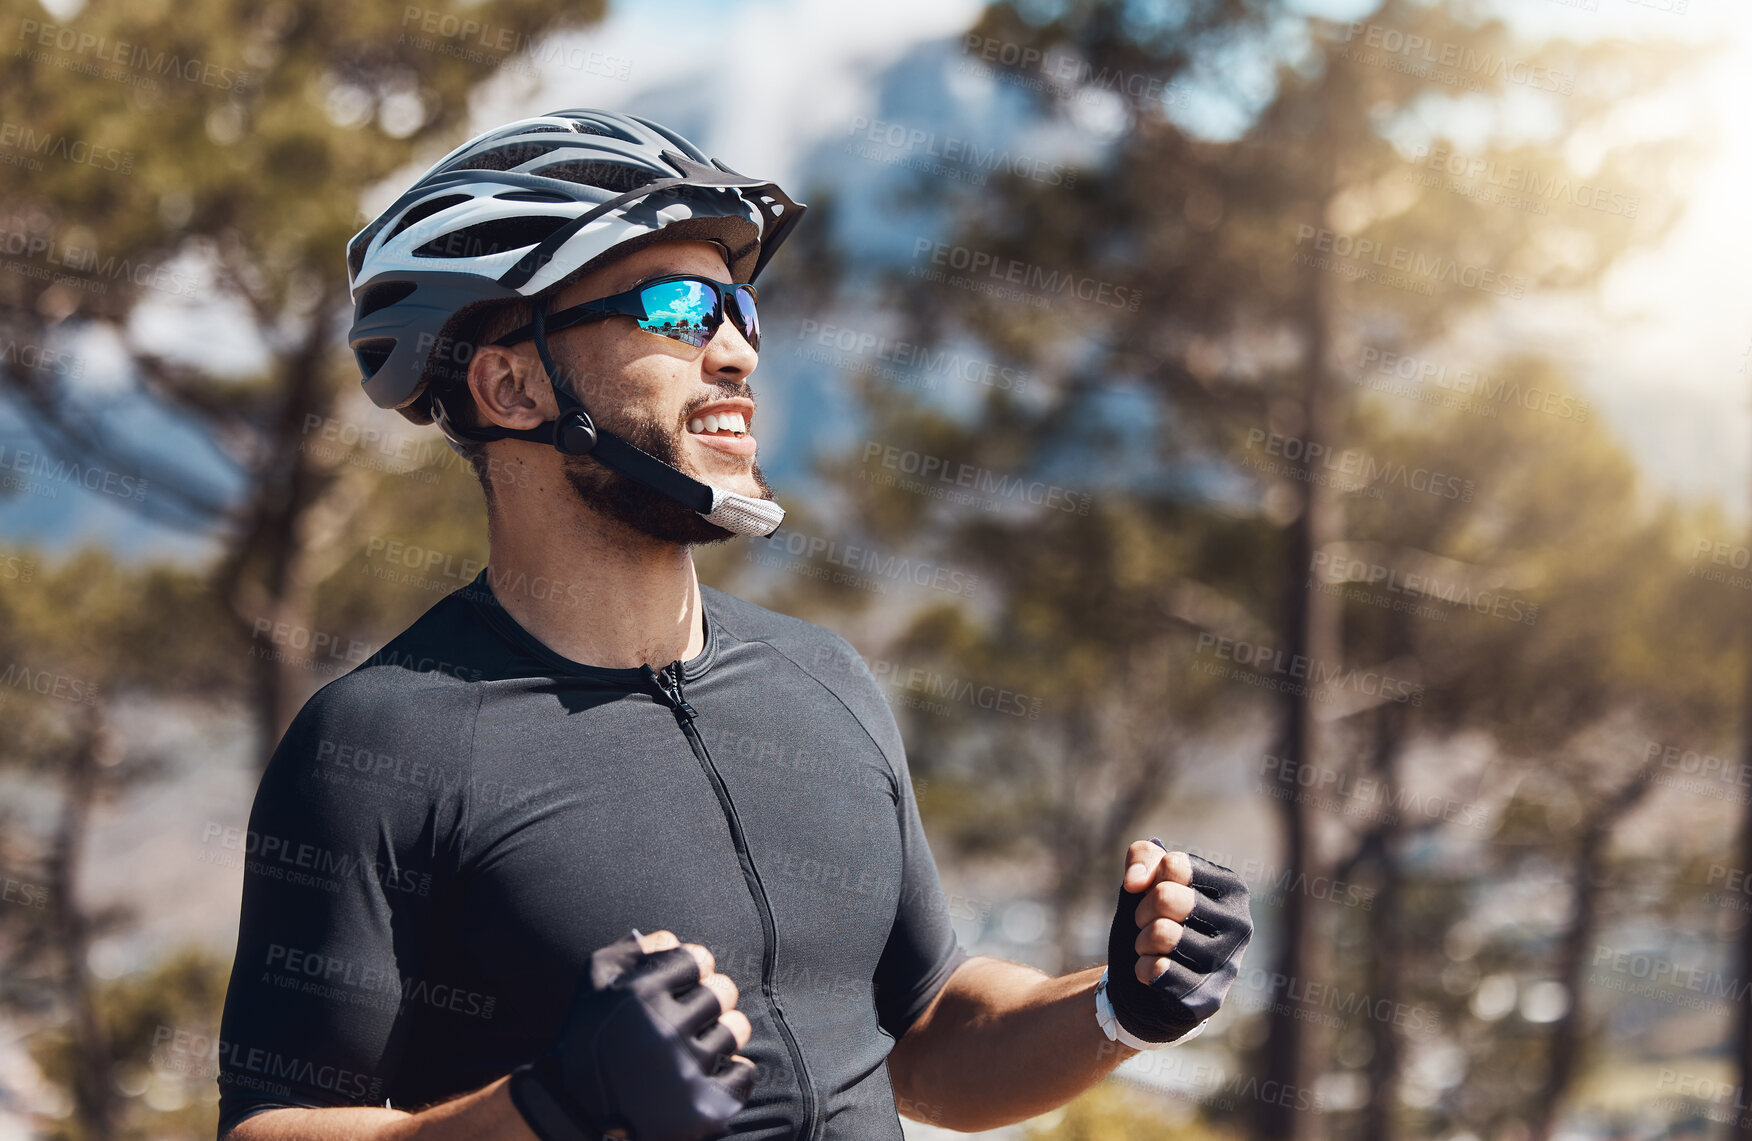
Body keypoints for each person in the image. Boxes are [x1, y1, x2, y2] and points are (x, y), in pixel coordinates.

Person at [213, 109, 1253, 1141]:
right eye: (675, 308)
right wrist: (548, 1108)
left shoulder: (822, 679)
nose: (736, 352)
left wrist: (1121, 1005)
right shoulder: (383, 742)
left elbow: (929, 1038)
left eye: (740, 312)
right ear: (512, 383)